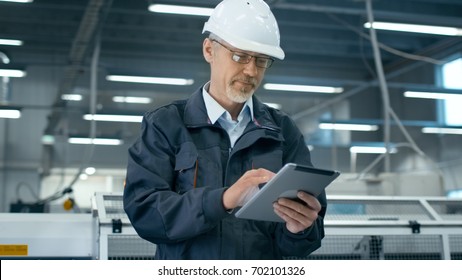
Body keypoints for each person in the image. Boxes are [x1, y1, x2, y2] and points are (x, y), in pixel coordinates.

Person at [123, 0, 327, 260]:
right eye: (240, 56)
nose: (251, 70)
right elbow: (146, 214)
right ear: (209, 50)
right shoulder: (165, 124)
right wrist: (223, 200)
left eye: (262, 60)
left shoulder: (283, 131)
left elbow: (303, 241)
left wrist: (300, 229)